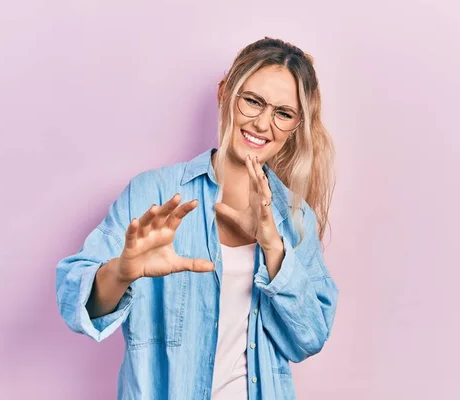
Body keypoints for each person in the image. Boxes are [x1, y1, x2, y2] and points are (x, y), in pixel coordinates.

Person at [56, 37, 339, 400]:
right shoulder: (152, 194)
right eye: (253, 101)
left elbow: (309, 338)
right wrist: (121, 272)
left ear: (295, 126)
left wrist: (273, 248)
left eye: (283, 113)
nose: (263, 123)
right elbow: (73, 298)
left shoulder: (295, 218)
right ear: (225, 93)